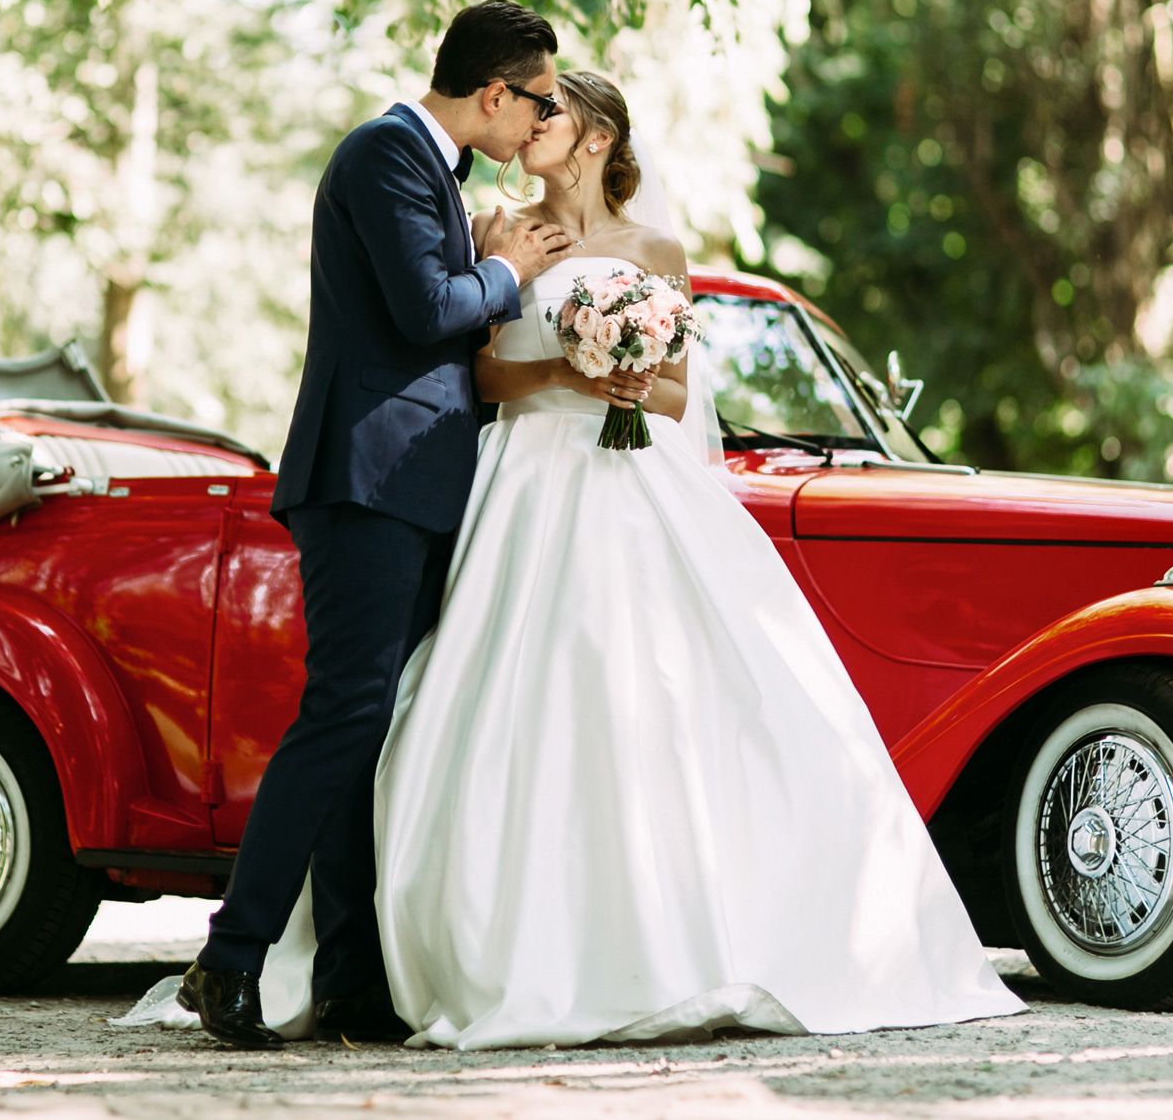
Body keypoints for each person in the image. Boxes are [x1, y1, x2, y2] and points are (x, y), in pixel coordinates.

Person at [133, 69, 1024, 1048]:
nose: (528, 121)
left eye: (549, 110)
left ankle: (675, 940)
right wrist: (561, 367)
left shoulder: (656, 249)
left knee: (660, 691)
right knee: (473, 691)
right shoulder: (494, 230)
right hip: (517, 479)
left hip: (634, 485)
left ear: (596, 137)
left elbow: (685, 395)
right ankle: (426, 955)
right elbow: (473, 368)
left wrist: (633, 378)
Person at [172, 0, 577, 1049]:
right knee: (342, 714)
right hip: (365, 483)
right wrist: (506, 272)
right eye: (532, 100)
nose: (534, 121)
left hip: (411, 486)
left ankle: (351, 976)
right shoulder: (386, 154)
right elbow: (419, 311)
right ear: (495, 91)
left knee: (371, 726)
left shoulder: (430, 171)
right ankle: (230, 954)